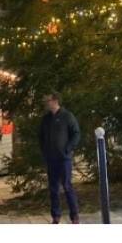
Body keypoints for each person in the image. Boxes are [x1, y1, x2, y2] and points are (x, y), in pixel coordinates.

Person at [39, 93, 81, 224]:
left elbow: (76, 133)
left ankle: (74, 216)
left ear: (56, 101)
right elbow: (40, 136)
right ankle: (56, 216)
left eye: (49, 100)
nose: (47, 103)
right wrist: (45, 151)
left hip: (64, 159)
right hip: (51, 159)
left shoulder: (67, 116)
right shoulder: (46, 119)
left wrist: (68, 149)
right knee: (53, 188)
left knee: (67, 186)